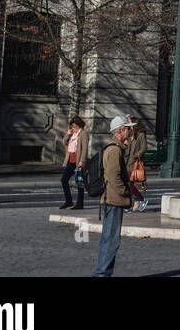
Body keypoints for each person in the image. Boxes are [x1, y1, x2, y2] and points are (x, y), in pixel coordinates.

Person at [92, 115, 133, 277]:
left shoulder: (114, 148)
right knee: (111, 240)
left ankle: (103, 273)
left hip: (110, 198)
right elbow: (113, 176)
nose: (130, 131)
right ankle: (102, 274)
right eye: (128, 128)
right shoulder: (114, 150)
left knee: (108, 238)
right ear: (120, 131)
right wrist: (125, 194)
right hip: (114, 199)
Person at [60, 117, 87, 211]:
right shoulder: (73, 134)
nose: (73, 127)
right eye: (72, 126)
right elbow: (64, 142)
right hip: (70, 161)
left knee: (79, 183)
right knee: (64, 180)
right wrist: (68, 134)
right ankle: (69, 201)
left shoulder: (83, 133)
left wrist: (82, 161)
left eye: (74, 126)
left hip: (77, 161)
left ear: (79, 125)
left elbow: (84, 149)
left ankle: (80, 204)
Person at [125, 117, 149, 212]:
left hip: (134, 162)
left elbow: (143, 147)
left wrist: (136, 155)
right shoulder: (130, 134)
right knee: (127, 184)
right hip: (127, 162)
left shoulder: (140, 135)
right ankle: (134, 202)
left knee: (129, 184)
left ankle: (141, 199)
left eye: (130, 122)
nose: (128, 124)